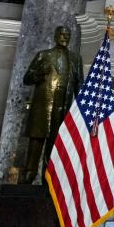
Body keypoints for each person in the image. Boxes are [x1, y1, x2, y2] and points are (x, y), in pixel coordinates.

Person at [22, 25, 83, 184]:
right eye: (62, 35)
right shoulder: (43, 55)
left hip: (63, 107)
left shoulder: (76, 59)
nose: (65, 38)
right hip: (42, 106)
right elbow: (27, 78)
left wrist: (82, 109)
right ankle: (29, 172)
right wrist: (39, 74)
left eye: (67, 35)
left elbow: (79, 85)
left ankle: (48, 177)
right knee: (36, 140)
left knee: (55, 143)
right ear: (55, 36)